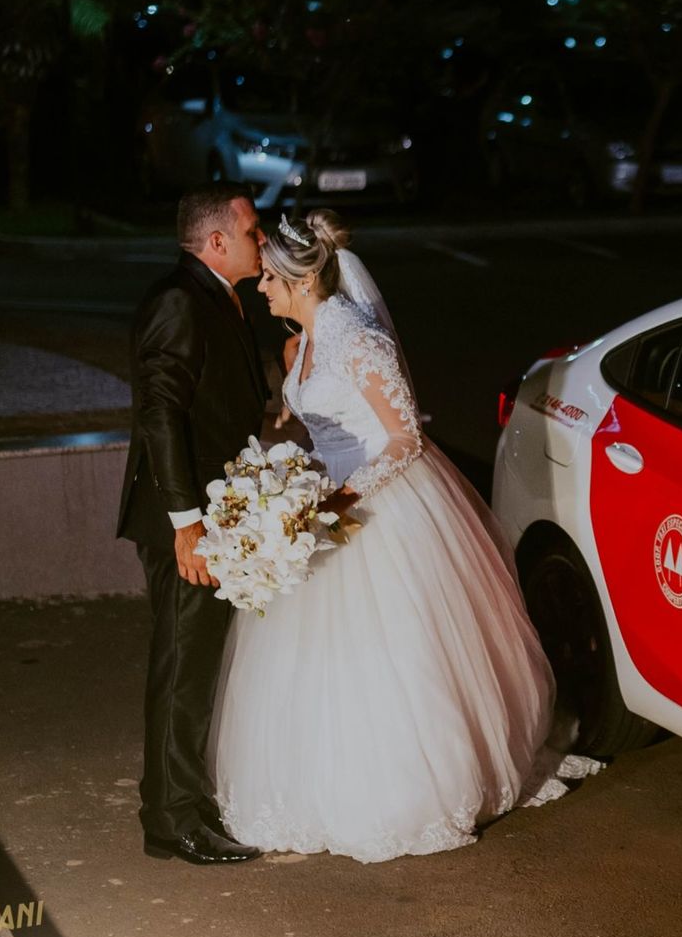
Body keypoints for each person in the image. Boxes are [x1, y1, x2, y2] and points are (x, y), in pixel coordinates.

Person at [209, 209, 599, 862]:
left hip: (378, 504)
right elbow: (309, 425)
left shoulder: (359, 340)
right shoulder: (295, 345)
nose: (260, 287)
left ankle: (409, 786)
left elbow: (403, 438)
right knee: (314, 656)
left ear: (301, 278)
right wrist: (273, 485)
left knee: (394, 650)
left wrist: (338, 499)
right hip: (318, 508)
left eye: (269, 277)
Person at [116, 188, 269, 865]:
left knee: (195, 662)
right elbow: (160, 413)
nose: (260, 241)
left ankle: (176, 803)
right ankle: (174, 819)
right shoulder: (179, 301)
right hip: (187, 520)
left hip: (215, 512)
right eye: (253, 232)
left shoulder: (221, 298)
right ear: (216, 243)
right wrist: (188, 523)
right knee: (182, 664)